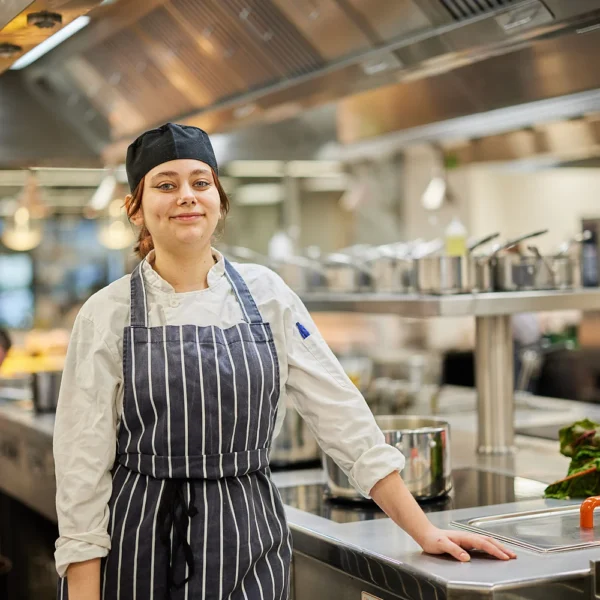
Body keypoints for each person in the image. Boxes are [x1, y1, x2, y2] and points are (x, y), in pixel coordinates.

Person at [53, 123, 515, 600]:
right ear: (136, 209)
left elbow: (342, 415)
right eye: (166, 185)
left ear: (219, 200)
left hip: (249, 536)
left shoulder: (267, 294)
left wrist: (424, 530)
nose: (186, 196)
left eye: (200, 182)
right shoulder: (107, 314)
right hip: (143, 541)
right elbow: (81, 468)